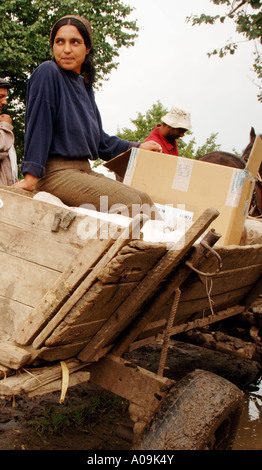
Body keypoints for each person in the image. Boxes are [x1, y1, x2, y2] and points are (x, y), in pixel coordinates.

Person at [14, 15, 162, 220]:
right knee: (131, 204)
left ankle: (176, 251)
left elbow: (100, 141)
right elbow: (39, 126)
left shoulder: (83, 86)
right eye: (59, 42)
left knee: (144, 199)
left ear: (87, 48)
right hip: (55, 174)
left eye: (74, 42)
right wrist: (31, 177)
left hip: (82, 172)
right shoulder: (48, 73)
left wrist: (136, 147)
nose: (66, 49)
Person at [0, 78, 18, 186]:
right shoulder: (4, 128)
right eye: (0, 97)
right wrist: (6, 127)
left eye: (5, 97)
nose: (5, 102)